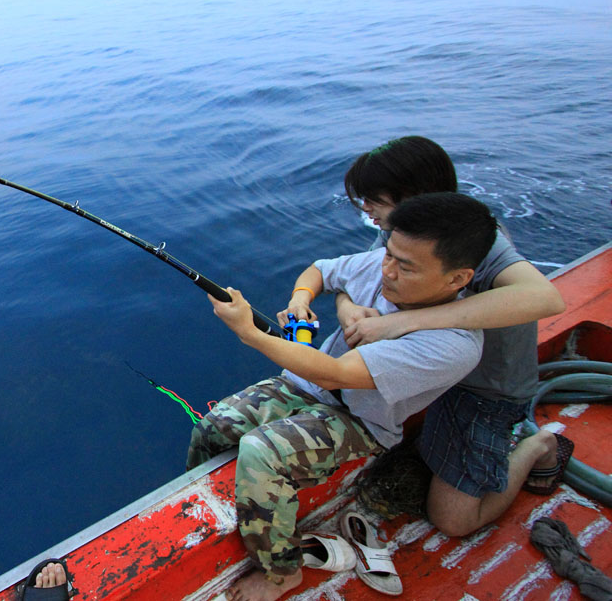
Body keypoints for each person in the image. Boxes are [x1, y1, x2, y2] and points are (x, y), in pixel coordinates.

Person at [188, 192, 498, 601]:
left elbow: (336, 373)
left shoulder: (454, 345)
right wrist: (300, 298)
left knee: (262, 451)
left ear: (458, 278)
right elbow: (320, 271)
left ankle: (283, 573)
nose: (387, 270)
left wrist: (249, 332)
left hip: (361, 421)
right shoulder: (385, 264)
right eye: (388, 254)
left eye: (405, 266)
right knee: (215, 425)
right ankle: (217, 515)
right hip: (307, 384)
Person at [338, 136, 568, 537]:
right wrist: (348, 308)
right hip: (433, 372)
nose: (366, 210)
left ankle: (538, 445)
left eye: (374, 200)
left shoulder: (480, 240)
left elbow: (544, 297)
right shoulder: (402, 232)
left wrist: (406, 322)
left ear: (415, 196)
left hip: (484, 388)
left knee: (453, 521)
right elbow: (345, 276)